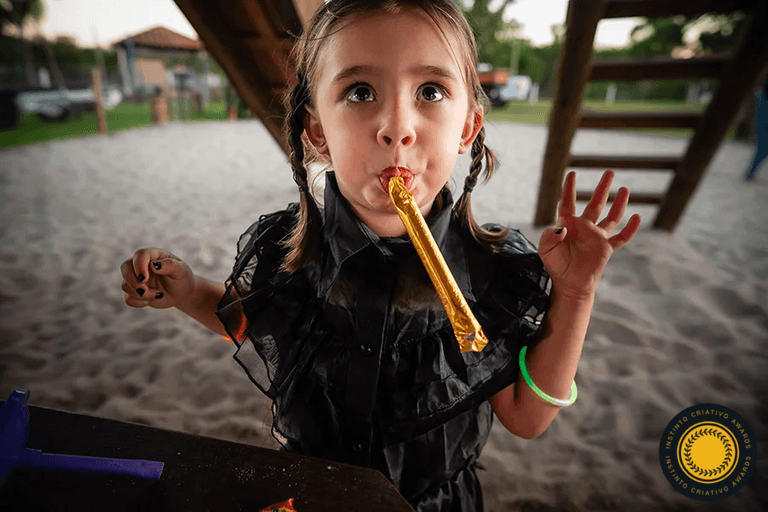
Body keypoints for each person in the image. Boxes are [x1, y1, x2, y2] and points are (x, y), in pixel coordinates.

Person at [120, 1, 641, 510]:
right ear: (318, 131)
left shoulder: (487, 272)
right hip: (310, 492)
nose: (397, 127)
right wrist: (189, 293)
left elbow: (527, 419)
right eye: (361, 91)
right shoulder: (289, 249)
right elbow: (246, 322)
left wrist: (575, 291)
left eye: (431, 91)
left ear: (467, 128)